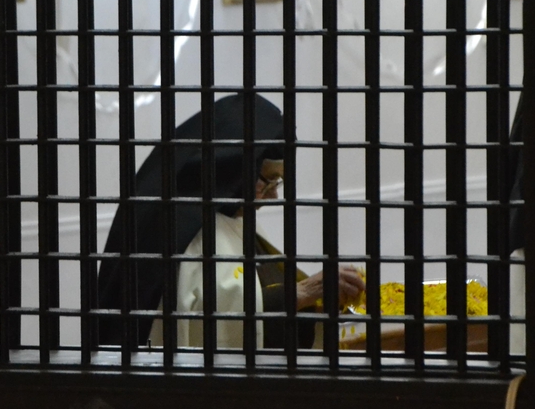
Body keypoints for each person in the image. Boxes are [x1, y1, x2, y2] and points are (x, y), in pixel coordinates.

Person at [97, 94, 365, 349]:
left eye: (278, 182)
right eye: (268, 180)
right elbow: (200, 319)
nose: (273, 195)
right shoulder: (174, 226)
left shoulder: (234, 217)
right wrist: (303, 292)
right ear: (234, 168)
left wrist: (318, 301)